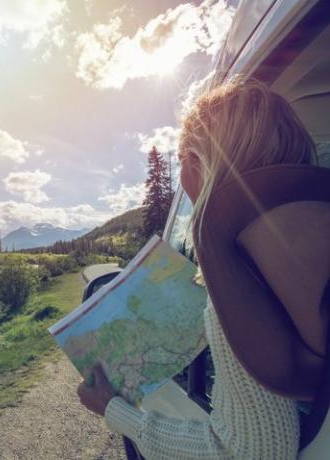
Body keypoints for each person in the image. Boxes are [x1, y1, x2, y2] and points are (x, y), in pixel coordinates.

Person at [77, 78, 327, 459]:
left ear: (200, 166)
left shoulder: (239, 279)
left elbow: (252, 453)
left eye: (183, 163)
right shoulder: (311, 244)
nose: (182, 179)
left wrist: (116, 410)